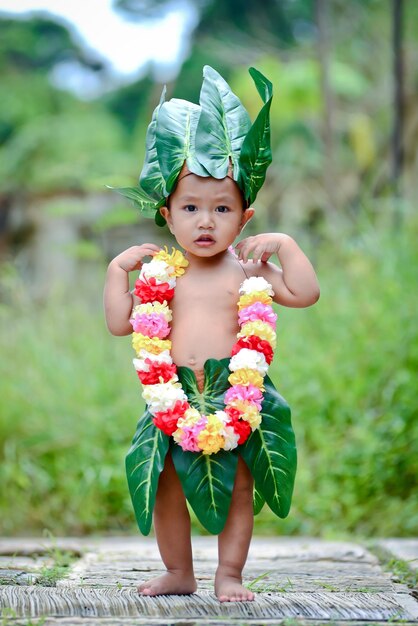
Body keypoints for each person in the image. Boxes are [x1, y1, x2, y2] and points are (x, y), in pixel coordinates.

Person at [104, 66, 319, 602]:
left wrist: (287, 246)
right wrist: (116, 274)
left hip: (237, 396)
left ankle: (230, 575)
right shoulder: (163, 277)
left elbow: (305, 293)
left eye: (221, 209)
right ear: (166, 215)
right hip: (171, 393)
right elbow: (117, 322)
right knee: (166, 487)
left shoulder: (247, 273)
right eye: (191, 208)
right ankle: (179, 571)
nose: (206, 221)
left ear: (243, 219)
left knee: (240, 486)